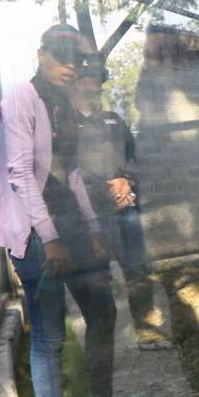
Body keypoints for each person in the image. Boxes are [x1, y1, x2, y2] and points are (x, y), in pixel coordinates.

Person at [0, 24, 117, 397]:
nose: (70, 66)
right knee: (49, 337)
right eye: (62, 56)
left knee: (102, 311)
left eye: (77, 60)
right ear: (41, 53)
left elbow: (74, 172)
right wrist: (51, 237)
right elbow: (20, 173)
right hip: (36, 233)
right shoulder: (21, 97)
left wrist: (90, 226)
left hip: (69, 228)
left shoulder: (65, 105)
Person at [68, 58, 159, 342]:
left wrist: (126, 181)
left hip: (125, 210)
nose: (94, 86)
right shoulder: (65, 125)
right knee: (99, 280)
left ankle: (147, 331)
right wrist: (106, 189)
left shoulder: (114, 120)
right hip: (91, 217)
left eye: (98, 81)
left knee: (138, 270)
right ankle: (104, 339)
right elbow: (69, 171)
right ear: (76, 84)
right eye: (88, 80)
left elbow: (136, 156)